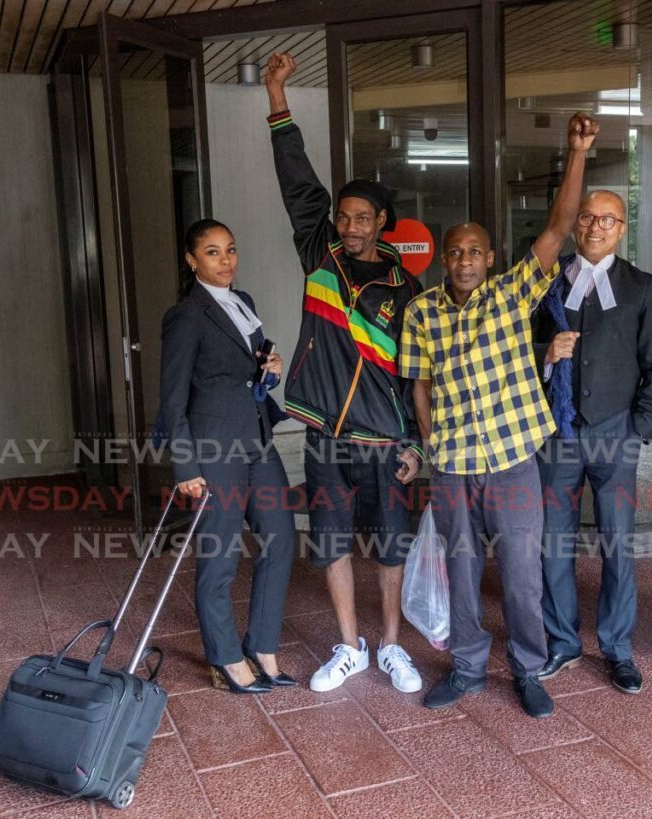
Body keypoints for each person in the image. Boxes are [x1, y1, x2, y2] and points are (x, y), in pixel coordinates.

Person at [401, 112, 599, 719]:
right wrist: (434, 452)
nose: (464, 260)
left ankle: (529, 669)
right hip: (454, 467)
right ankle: (465, 667)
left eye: (475, 251)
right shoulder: (421, 313)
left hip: (514, 459)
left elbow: (561, 226)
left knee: (521, 575)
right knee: (462, 574)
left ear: (490, 258)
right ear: (444, 259)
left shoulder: (513, 294)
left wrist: (577, 153)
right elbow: (421, 389)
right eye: (455, 251)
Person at [264, 53, 425, 694]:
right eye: (345, 217)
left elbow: (419, 374)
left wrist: (417, 442)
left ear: (382, 223)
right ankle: (349, 646)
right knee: (329, 543)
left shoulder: (407, 287)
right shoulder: (319, 253)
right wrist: (277, 94)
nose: (350, 226)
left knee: (390, 548)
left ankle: (390, 646)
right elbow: (296, 179)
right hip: (327, 435)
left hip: (385, 440)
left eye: (363, 218)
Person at [531, 190, 652, 693]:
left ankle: (616, 647)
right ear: (576, 225)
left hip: (616, 434)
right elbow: (514, 347)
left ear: (621, 228)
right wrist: (545, 353)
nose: (595, 227)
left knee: (618, 543)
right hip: (556, 432)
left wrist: (638, 428)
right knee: (552, 542)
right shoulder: (545, 281)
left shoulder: (641, 287)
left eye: (607, 219)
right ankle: (562, 642)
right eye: (587, 217)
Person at [160, 218, 297, 694]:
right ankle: (224, 659)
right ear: (192, 260)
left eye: (231, 250)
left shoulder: (244, 302)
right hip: (213, 448)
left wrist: (271, 370)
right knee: (219, 554)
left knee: (280, 538)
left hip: (257, 440)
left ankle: (261, 645)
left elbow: (251, 371)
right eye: (213, 252)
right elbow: (172, 399)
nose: (226, 261)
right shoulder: (186, 316)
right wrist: (185, 468)